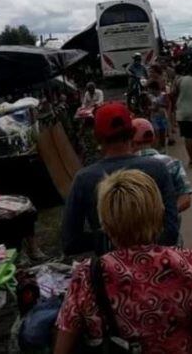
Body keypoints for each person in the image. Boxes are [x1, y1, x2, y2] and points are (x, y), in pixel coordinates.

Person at [55, 170, 192, 354]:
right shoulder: (188, 263)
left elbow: (62, 347)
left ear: (105, 223)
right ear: (158, 212)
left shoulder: (87, 276)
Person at [61, 101, 179, 255]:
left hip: (110, 273)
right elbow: (171, 231)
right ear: (132, 133)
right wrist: (147, 249)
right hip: (158, 269)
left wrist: (108, 241)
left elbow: (70, 242)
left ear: (97, 138)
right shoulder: (157, 169)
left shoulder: (84, 179)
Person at [132, 118, 192, 245]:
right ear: (153, 138)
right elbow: (186, 199)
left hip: (135, 238)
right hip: (169, 236)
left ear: (130, 142)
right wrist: (167, 213)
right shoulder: (172, 162)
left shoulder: (124, 168)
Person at [147, 80, 169, 150]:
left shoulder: (163, 95)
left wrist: (159, 105)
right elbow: (147, 107)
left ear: (154, 88)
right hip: (154, 117)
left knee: (163, 132)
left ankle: (162, 147)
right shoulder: (149, 96)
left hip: (162, 116)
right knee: (156, 133)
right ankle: (157, 148)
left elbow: (167, 105)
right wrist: (151, 109)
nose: (149, 91)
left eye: (150, 89)